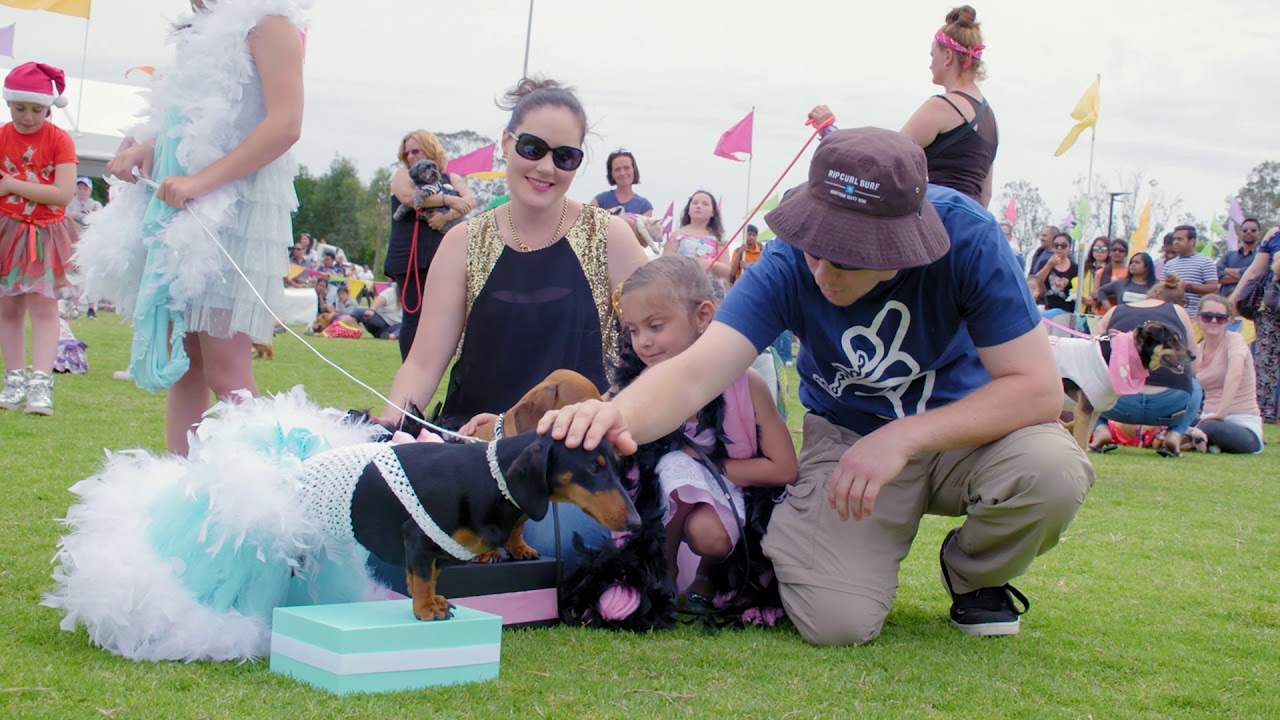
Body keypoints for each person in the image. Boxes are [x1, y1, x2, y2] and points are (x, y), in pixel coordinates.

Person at [540, 128, 1094, 644]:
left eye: (848, 260)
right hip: (847, 435)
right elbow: (695, 371)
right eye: (815, 249)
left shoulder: (969, 239)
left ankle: (975, 573)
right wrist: (618, 416)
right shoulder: (786, 262)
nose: (823, 275)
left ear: (904, 245)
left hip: (970, 436)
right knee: (835, 622)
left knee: (1053, 471)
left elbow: (1039, 390)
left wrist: (903, 437)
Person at [379, 77, 647, 566]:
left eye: (565, 156)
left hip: (574, 462)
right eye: (532, 148)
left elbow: (651, 361)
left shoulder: (613, 238)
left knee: (557, 546)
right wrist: (384, 438)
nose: (546, 167)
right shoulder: (463, 242)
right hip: (474, 451)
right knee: (394, 538)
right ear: (506, 144)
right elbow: (421, 365)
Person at [76, 0, 306, 455]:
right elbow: (200, 120)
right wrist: (150, 146)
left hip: (231, 213)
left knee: (226, 368)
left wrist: (201, 181)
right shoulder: (198, 33)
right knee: (186, 364)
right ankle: (184, 488)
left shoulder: (270, 24)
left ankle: (267, 494)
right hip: (185, 213)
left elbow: (286, 123)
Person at [614, 256, 796, 607]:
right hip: (656, 513)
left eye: (655, 326)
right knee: (668, 468)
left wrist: (701, 462)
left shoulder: (746, 385)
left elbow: (786, 467)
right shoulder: (636, 390)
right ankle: (655, 572)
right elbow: (599, 421)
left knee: (686, 486)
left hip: (732, 509)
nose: (643, 342)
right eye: (634, 330)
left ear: (703, 317)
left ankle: (704, 577)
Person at [807, 6, 996, 207]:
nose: (930, 65)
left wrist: (830, 133)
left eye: (933, 56)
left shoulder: (943, 107)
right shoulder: (991, 119)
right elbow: (986, 195)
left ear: (948, 56)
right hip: (972, 229)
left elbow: (885, 163)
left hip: (936, 223)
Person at [0, 62, 79, 417]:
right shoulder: (2, 136)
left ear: (49, 107)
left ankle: (40, 383)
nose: (28, 117)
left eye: (37, 109)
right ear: (9, 103)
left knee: (44, 308)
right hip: (6, 230)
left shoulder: (59, 139)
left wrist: (13, 185)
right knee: (8, 308)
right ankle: (14, 380)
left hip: (44, 232)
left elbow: (62, 194)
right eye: (20, 108)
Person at [384, 130, 477, 361]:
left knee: (446, 315)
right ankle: (411, 373)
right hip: (410, 257)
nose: (412, 156)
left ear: (430, 148)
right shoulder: (403, 175)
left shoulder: (452, 178)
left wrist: (446, 217)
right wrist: (450, 200)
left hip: (441, 255)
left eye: (416, 150)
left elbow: (470, 201)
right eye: (407, 153)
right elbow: (408, 197)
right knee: (414, 317)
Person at [1089, 274, 1201, 457]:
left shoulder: (1115, 310)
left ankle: (1101, 429)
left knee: (1093, 383)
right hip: (1169, 405)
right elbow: (1194, 367)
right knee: (1195, 386)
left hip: (1119, 406)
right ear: (1178, 301)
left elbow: (1090, 351)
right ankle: (1174, 434)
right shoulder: (1179, 312)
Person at [1185, 294, 1263, 454]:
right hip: (1207, 418)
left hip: (1243, 425)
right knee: (1173, 419)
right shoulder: (1198, 350)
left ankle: (1196, 437)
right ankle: (1199, 439)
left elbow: (1235, 373)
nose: (1213, 321)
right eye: (1207, 316)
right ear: (1198, 319)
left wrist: (1221, 413)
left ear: (1229, 321)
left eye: (1220, 318)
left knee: (1209, 426)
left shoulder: (1235, 340)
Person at [1228, 226, 1280, 422]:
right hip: (1271, 306)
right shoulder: (1274, 234)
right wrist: (1234, 298)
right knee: (1266, 361)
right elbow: (1255, 270)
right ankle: (1263, 415)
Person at [665, 190, 730, 280]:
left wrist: (712, 264)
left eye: (705, 204)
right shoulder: (677, 234)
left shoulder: (719, 238)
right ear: (688, 210)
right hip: (681, 286)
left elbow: (726, 270)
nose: (699, 206)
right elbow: (665, 261)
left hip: (710, 289)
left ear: (713, 213)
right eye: (695, 203)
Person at [1160, 225, 1218, 319]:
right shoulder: (1169, 264)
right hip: (1171, 316)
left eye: (1180, 239)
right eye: (1175, 239)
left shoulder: (1205, 262)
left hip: (1195, 317)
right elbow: (1161, 289)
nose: (1176, 242)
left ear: (1192, 242)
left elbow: (1213, 288)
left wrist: (1187, 286)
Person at [590, 149, 653, 216]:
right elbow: (584, 224)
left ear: (634, 170)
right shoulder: (599, 201)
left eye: (626, 168)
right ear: (612, 174)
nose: (622, 173)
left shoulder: (645, 207)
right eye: (617, 169)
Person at [1217, 218, 1263, 297]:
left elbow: (1259, 276)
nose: (1248, 232)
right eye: (1245, 230)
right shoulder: (1229, 255)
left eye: (1253, 230)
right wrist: (1248, 275)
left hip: (1251, 304)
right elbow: (1217, 276)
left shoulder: (1262, 257)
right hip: (1225, 302)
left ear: (1260, 234)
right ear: (1240, 233)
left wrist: (1227, 270)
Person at [1035, 232, 1078, 315]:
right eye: (1056, 245)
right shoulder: (1045, 263)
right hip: (1045, 307)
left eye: (1063, 246)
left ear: (1069, 248)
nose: (1059, 248)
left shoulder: (1075, 268)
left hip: (1066, 310)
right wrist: (1049, 265)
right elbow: (1037, 282)